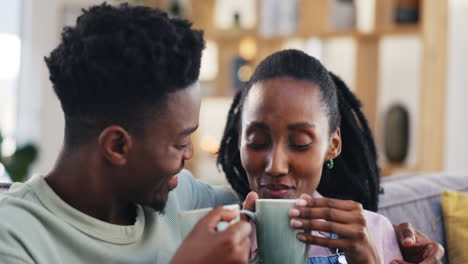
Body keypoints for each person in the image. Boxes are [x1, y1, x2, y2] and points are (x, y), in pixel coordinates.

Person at [0, 4, 251, 264]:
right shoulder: (14, 235)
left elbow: (267, 204)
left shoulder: (180, 196)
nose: (190, 153)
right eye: (180, 143)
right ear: (117, 146)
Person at [218, 49, 443, 264]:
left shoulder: (374, 233)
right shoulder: (216, 237)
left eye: (299, 143)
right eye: (257, 141)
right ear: (240, 141)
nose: (276, 166)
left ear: (332, 146)